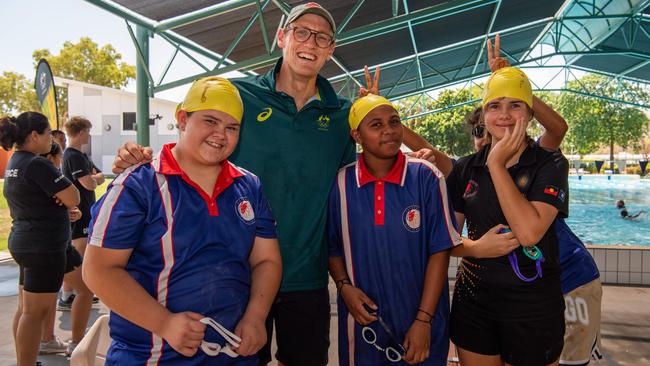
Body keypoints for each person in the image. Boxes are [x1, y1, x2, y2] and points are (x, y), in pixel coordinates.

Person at [110, 3, 437, 365]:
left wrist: (414, 155)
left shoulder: (343, 113)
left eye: (322, 37)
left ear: (330, 51)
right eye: (301, 32)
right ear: (281, 37)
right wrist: (141, 156)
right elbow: (199, 139)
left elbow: (373, 161)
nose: (311, 42)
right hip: (237, 277)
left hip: (307, 275)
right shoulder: (240, 96)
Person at [83, 76, 282, 365]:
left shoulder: (248, 185)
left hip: (232, 355)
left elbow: (267, 260)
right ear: (182, 119)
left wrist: (255, 316)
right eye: (210, 121)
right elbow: (98, 270)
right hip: (150, 357)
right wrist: (164, 323)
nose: (220, 134)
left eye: (231, 127)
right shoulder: (138, 185)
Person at [446, 65, 569, 366]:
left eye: (515, 105)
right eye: (494, 106)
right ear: (484, 115)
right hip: (474, 303)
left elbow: (529, 233)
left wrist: (497, 165)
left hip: (534, 308)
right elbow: (443, 239)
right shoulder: (465, 168)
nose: (504, 114)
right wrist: (475, 248)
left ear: (529, 113)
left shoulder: (549, 163)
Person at [327, 94, 460, 365]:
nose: (389, 130)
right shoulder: (341, 183)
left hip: (421, 319)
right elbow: (332, 247)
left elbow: (440, 251)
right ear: (357, 135)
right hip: (363, 322)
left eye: (395, 122)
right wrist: (343, 287)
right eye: (376, 125)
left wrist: (424, 319)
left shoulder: (426, 177)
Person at [0, 112, 80, 366]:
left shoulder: (16, 161)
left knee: (29, 308)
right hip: (42, 246)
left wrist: (60, 203)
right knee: (34, 313)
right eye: (47, 133)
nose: (51, 139)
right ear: (34, 135)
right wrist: (64, 200)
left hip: (34, 241)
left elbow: (55, 199)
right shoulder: (36, 163)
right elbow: (74, 196)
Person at [38, 141, 94, 356]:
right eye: (60, 158)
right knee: (85, 289)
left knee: (39, 300)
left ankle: (46, 340)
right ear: (52, 158)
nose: (62, 163)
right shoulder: (46, 174)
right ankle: (76, 342)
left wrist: (71, 213)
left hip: (37, 243)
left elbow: (64, 207)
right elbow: (75, 196)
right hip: (54, 244)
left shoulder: (26, 173)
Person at [59, 116, 104, 310]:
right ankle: (69, 295)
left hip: (86, 210)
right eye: (87, 131)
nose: (89, 135)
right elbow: (90, 182)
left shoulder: (82, 155)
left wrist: (96, 177)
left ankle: (70, 294)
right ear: (80, 132)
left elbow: (99, 175)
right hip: (80, 212)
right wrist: (95, 178)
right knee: (78, 255)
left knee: (80, 255)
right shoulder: (73, 156)